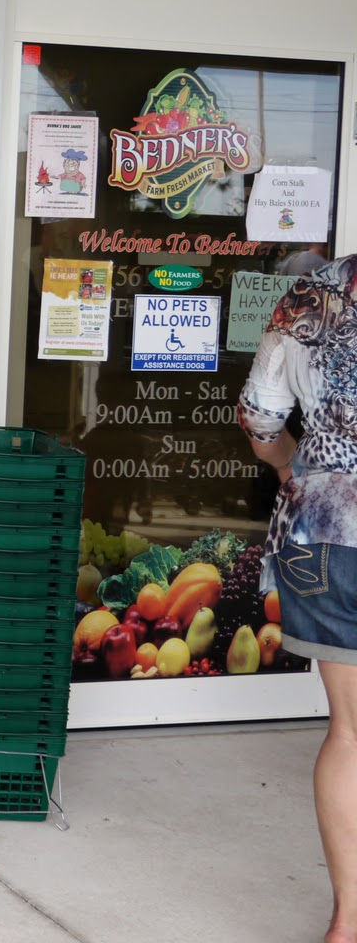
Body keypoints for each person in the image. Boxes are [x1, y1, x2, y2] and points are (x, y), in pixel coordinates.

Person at [239, 254, 357, 943]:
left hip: (320, 534)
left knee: (350, 732)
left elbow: (260, 416)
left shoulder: (311, 295)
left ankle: (348, 919)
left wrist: (290, 463)